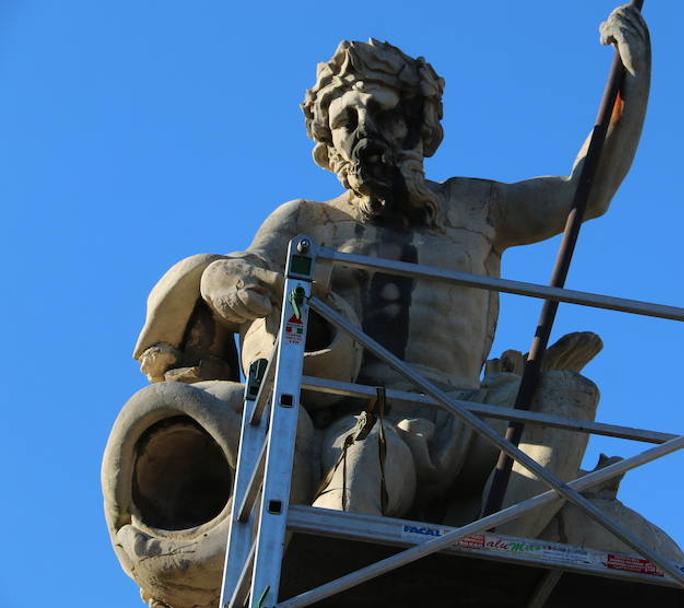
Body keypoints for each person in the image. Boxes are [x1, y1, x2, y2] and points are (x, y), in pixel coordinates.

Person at [134, 3, 651, 537]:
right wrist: (227, 282)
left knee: (566, 396)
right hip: (372, 420)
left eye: (384, 114)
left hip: (472, 417)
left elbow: (583, 193)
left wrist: (632, 78)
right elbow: (248, 266)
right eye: (347, 121)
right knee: (359, 471)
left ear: (422, 128)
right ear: (326, 145)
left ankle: (493, 554)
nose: (367, 134)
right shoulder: (312, 220)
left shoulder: (479, 209)